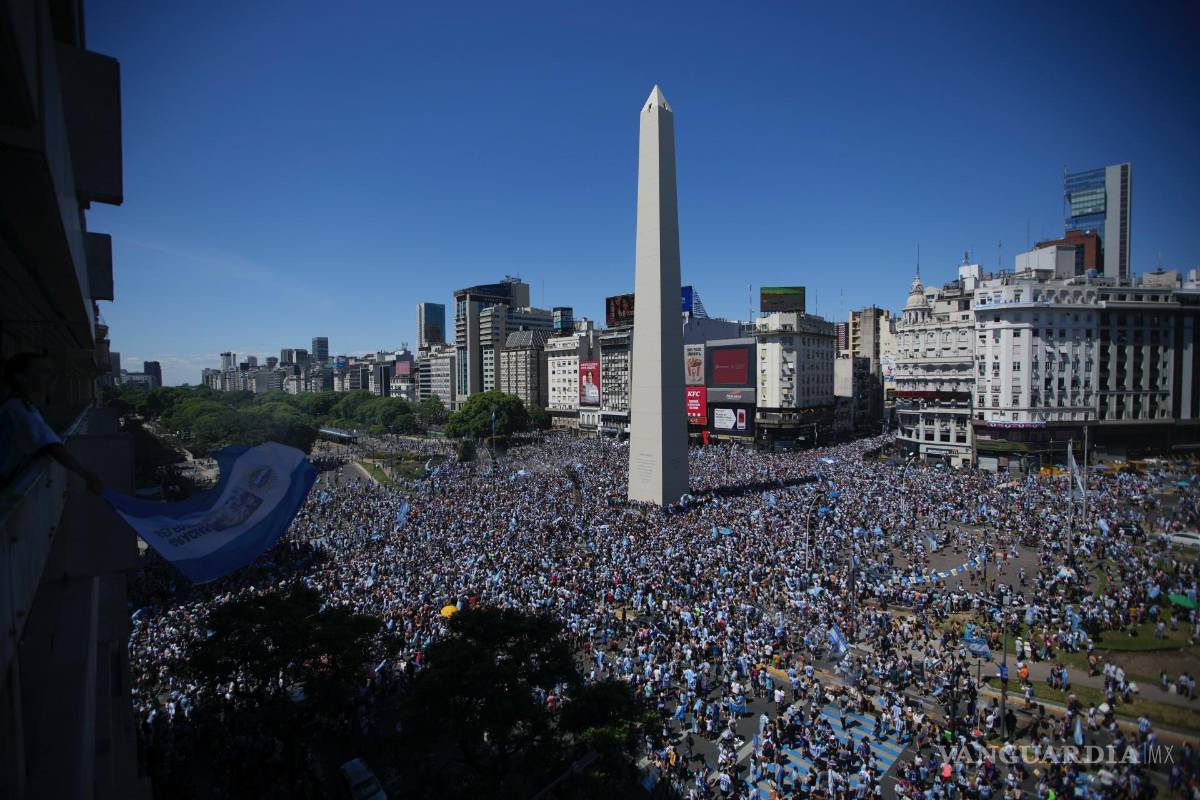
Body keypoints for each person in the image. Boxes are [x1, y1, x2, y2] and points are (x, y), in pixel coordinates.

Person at [0, 352, 101, 493]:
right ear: (20, 378)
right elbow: (53, 447)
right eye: (43, 372)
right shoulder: (18, 409)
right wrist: (86, 475)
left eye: (53, 372)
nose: (53, 377)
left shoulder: (23, 407)